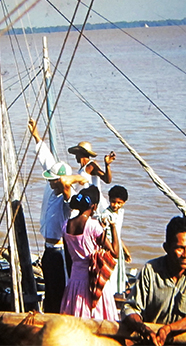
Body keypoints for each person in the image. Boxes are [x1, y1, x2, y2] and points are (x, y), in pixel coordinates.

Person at [121, 216, 186, 346]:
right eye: (180, 248)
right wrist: (144, 330)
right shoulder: (151, 270)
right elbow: (130, 308)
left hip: (182, 342)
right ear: (166, 248)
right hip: (151, 341)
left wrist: (168, 329)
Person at [28, 118, 87, 313]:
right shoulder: (51, 184)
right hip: (48, 249)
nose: (50, 182)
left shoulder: (68, 198)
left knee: (60, 291)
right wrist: (36, 135)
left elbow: (75, 189)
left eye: (55, 181)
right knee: (51, 289)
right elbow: (46, 158)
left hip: (60, 251)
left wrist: (68, 182)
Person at [60, 185, 119, 321]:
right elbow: (114, 252)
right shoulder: (93, 225)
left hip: (75, 279)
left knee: (74, 317)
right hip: (92, 280)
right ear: (94, 206)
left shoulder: (66, 225)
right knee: (97, 318)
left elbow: (69, 258)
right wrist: (113, 227)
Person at [99, 185, 132, 295]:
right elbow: (105, 236)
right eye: (113, 202)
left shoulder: (120, 213)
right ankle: (108, 295)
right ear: (109, 199)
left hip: (118, 247)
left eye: (119, 203)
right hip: (110, 248)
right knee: (109, 274)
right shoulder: (106, 215)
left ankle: (116, 294)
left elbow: (117, 234)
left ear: (124, 203)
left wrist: (125, 250)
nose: (116, 205)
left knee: (118, 273)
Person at [68, 141, 116, 213]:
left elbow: (107, 180)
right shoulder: (82, 168)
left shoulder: (91, 165)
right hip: (86, 201)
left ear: (81, 153)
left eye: (76, 154)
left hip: (94, 203)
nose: (75, 157)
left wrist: (107, 165)